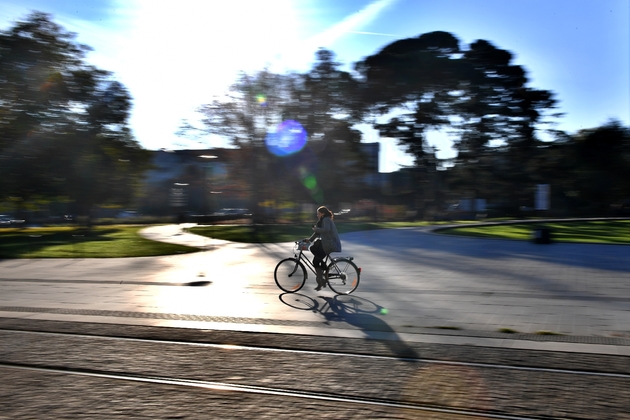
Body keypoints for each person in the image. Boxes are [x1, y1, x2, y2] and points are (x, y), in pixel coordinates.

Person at [305, 206, 342, 291]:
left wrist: (316, 229)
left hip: (330, 244)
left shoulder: (326, 220)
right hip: (327, 243)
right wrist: (309, 240)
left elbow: (326, 229)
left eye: (318, 213)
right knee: (312, 248)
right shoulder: (322, 221)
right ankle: (324, 268)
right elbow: (317, 233)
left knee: (315, 261)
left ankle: (321, 280)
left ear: (323, 214)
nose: (317, 215)